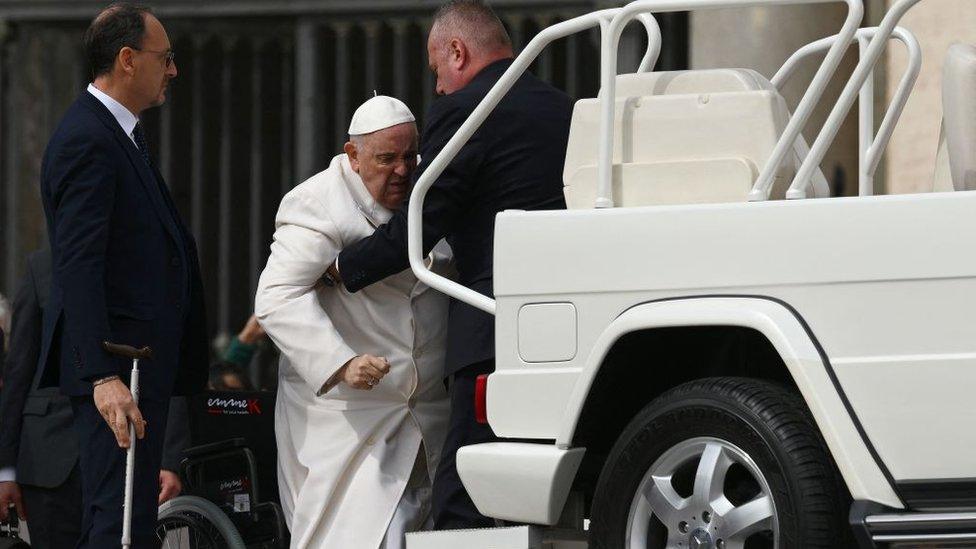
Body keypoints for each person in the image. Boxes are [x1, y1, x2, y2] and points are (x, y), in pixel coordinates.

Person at [325, 0, 572, 529]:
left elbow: (423, 216)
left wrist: (344, 269)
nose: (437, 87)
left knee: (465, 494)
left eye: (438, 70)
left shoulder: (467, 109)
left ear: (457, 51)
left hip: (491, 330)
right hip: (567, 324)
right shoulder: (562, 106)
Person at [36, 4, 207, 547]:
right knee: (117, 523)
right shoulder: (89, 138)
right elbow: (78, 266)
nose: (173, 71)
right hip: (119, 375)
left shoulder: (120, 134)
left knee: (132, 523)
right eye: (166, 58)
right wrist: (101, 377)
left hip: (138, 370)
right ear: (128, 60)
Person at [256, 95, 451, 549]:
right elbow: (275, 298)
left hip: (426, 414)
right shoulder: (316, 203)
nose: (402, 170)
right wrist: (341, 363)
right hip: (348, 419)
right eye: (386, 159)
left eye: (409, 156)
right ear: (353, 156)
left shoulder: (429, 193)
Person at [0, 249, 190, 548]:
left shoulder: (149, 263)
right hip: (48, 458)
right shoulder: (42, 265)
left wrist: (169, 460)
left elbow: (166, 365)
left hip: (126, 450)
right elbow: (19, 370)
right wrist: (5, 469)